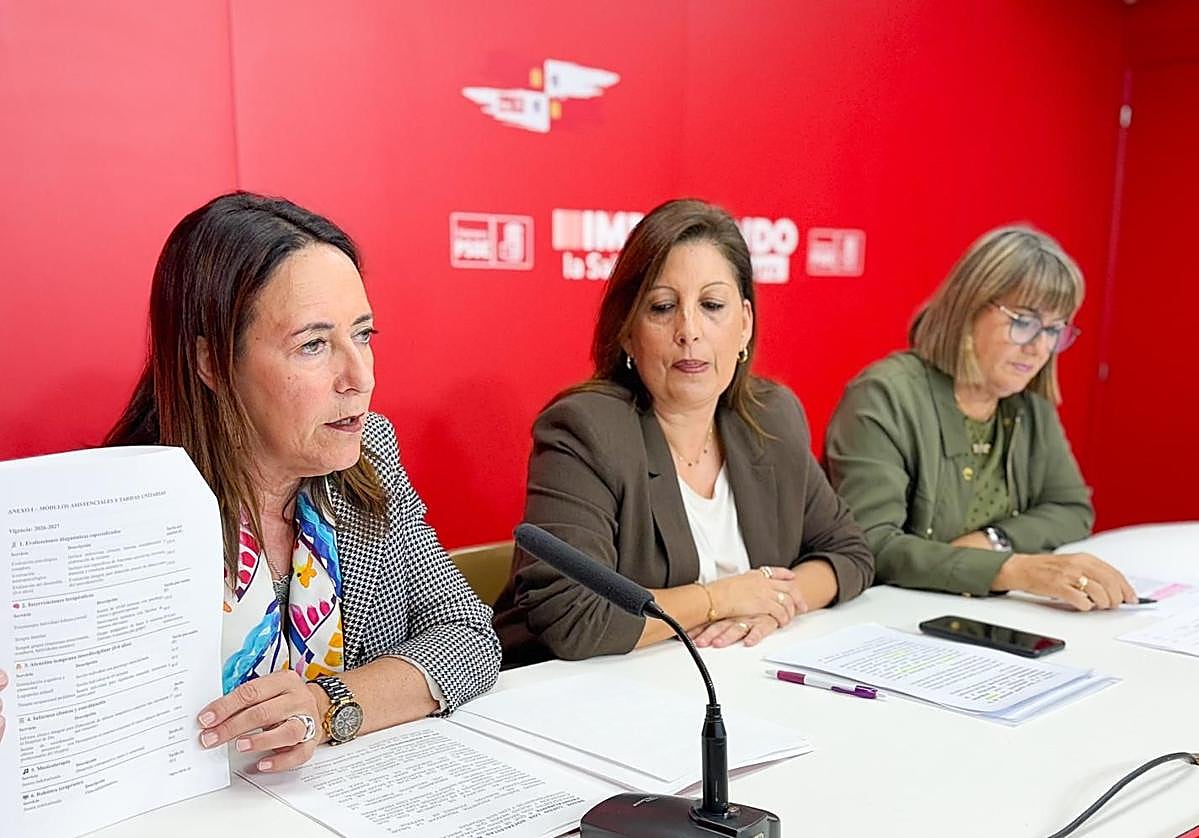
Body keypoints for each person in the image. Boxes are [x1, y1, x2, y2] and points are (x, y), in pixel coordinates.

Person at [105, 192, 500, 772]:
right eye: (313, 345)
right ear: (212, 363)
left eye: (363, 335)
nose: (359, 378)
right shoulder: (122, 508)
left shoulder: (368, 457)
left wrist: (325, 703)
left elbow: (466, 635)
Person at [494, 199, 874, 667]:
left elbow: (849, 553)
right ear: (628, 334)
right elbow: (575, 617)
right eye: (662, 307)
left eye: (712, 305)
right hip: (574, 697)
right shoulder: (585, 430)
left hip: (725, 683)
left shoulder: (772, 417)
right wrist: (722, 599)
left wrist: (776, 605)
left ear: (745, 326)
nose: (688, 330)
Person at [825, 225, 1135, 611]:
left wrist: (994, 540)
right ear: (968, 308)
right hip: (895, 620)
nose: (1040, 348)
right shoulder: (883, 395)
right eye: (1024, 322)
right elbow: (872, 544)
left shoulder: (1027, 400)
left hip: (983, 615)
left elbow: (1072, 510)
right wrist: (1012, 569)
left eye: (1054, 329)